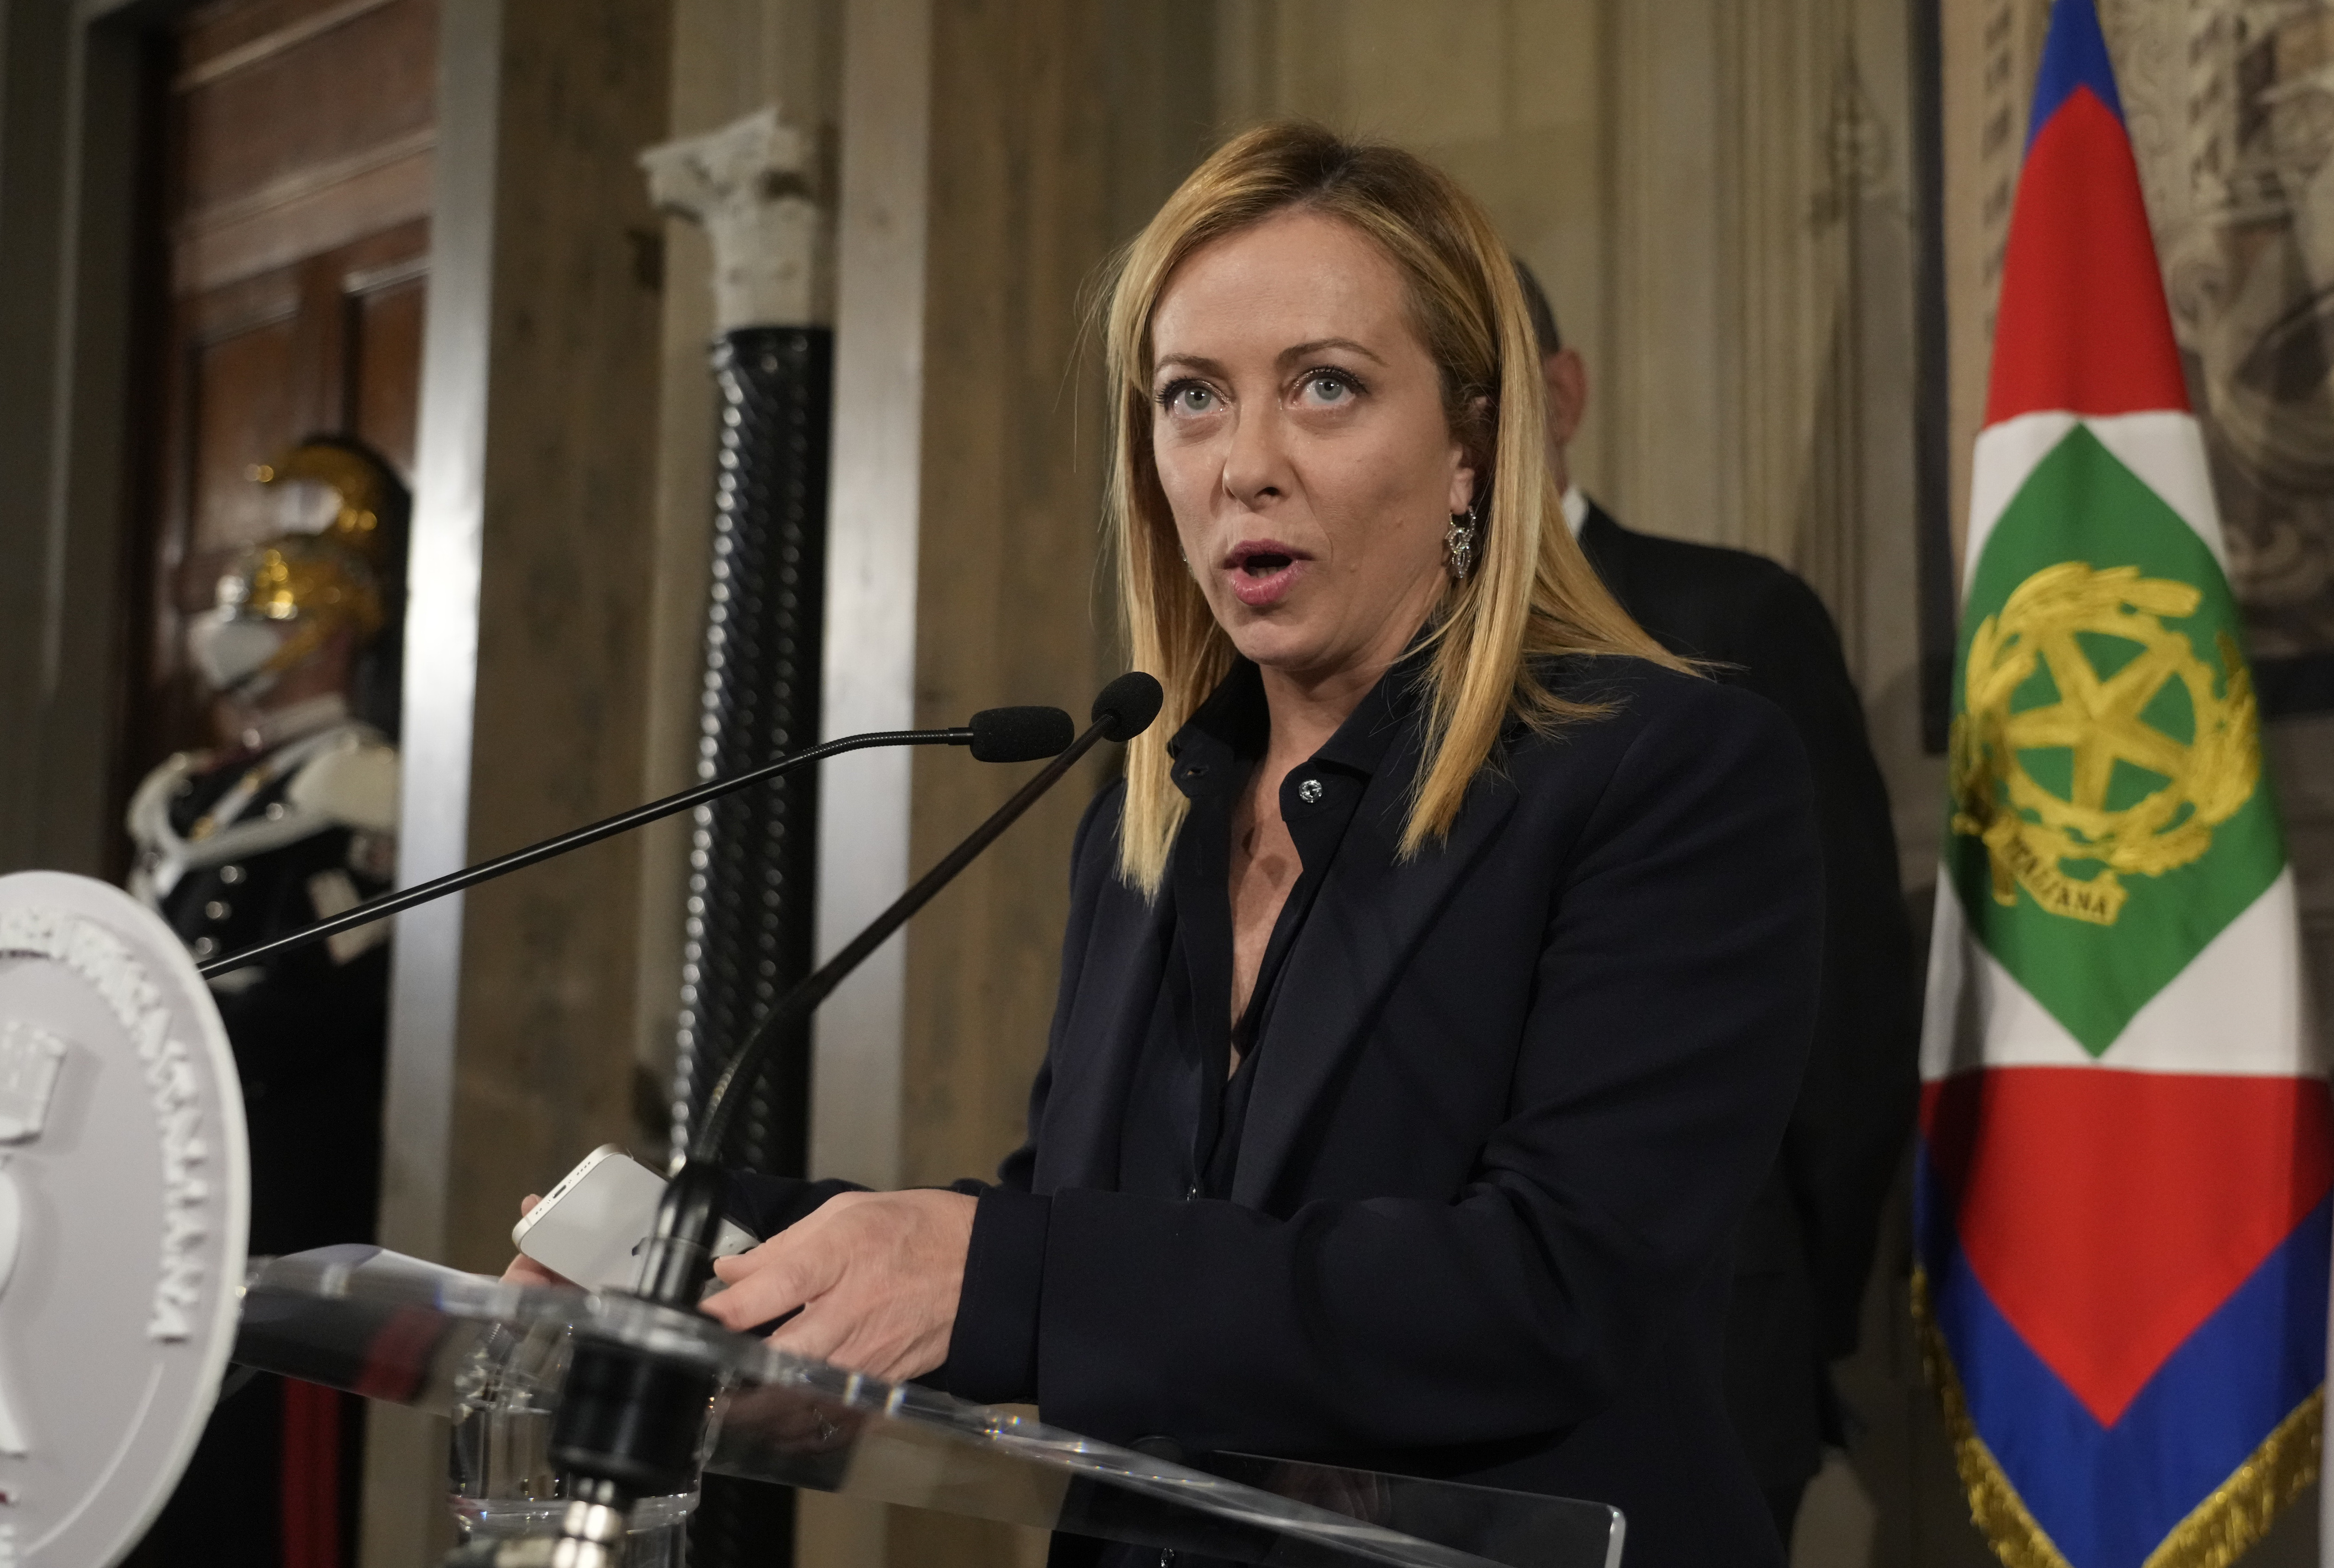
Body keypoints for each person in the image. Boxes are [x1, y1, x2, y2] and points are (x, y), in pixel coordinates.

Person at [515, 123, 1823, 1567]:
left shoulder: (1665, 771)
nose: (1244, 464)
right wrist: (725, 1246)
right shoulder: (1149, 808)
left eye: (1325, 386)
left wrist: (997, 1274)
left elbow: (1548, 1287)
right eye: (1192, 396)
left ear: (1473, 444)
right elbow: (1099, 1229)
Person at [1514, 261, 1919, 1543]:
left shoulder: (1731, 621)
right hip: (1416, 1402)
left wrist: (1803, 1300)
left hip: (1708, 1352)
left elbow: (1846, 1014)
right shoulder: (1340, 662)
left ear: (1561, 394)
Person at [126, 438, 405, 1568]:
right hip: (164, 1170)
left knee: (253, 1484)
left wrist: (170, 1041)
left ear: (329, 635)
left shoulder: (359, 785)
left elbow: (327, 999)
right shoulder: (199, 789)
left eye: (264, 608)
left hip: (275, 1180)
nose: (230, 628)